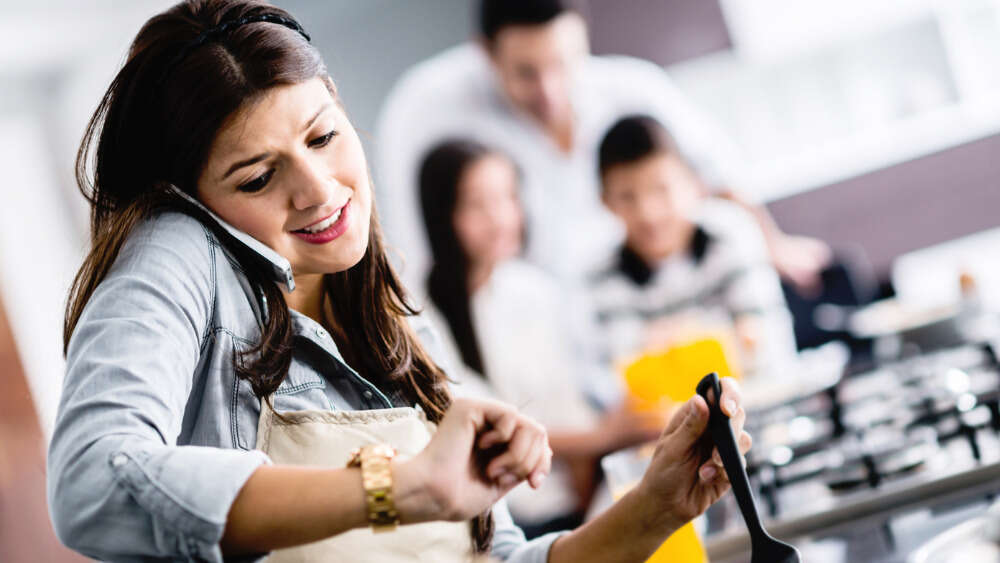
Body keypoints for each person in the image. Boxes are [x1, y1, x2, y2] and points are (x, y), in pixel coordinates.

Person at [46, 2, 751, 562]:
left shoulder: (400, 319)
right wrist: (397, 486)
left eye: (323, 138)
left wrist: (659, 504)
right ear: (191, 199)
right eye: (258, 177)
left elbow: (499, 557)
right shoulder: (180, 250)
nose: (319, 192)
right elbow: (94, 483)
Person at [375, 0, 830, 292]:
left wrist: (776, 246)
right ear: (485, 53)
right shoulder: (427, 106)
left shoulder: (634, 85)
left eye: (563, 63)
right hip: (544, 327)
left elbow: (715, 173)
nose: (551, 91)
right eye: (527, 73)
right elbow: (416, 255)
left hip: (653, 301)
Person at [417, 139, 662, 537]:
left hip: (579, 492)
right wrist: (604, 435)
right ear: (443, 215)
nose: (500, 218)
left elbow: (572, 397)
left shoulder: (533, 290)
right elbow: (484, 427)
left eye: (507, 197)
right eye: (477, 204)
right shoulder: (425, 317)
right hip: (510, 513)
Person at [590, 115, 798, 378]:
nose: (648, 212)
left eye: (660, 189)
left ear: (692, 183)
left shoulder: (730, 233)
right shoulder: (601, 278)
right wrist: (719, 337)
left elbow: (767, 344)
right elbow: (623, 377)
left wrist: (668, 344)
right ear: (605, 201)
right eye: (627, 197)